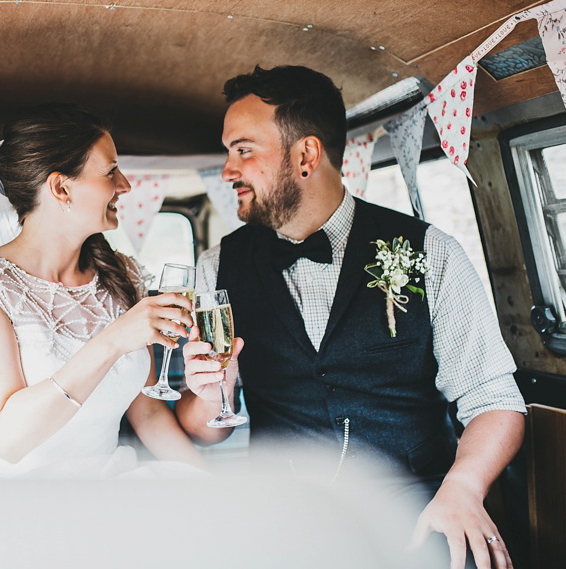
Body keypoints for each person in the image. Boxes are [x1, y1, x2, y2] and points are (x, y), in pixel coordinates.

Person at [174, 65, 526, 569]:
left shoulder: (432, 253)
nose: (229, 170)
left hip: (420, 506)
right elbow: (205, 429)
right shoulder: (216, 268)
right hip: (284, 518)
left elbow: (494, 399)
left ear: (306, 155)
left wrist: (463, 489)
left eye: (243, 150)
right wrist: (210, 396)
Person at [0, 103, 203, 478]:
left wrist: (207, 483)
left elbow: (147, 412)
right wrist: (111, 341)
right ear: (61, 187)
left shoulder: (122, 274)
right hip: (12, 500)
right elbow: (8, 440)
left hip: (107, 486)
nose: (125, 185)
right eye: (111, 171)